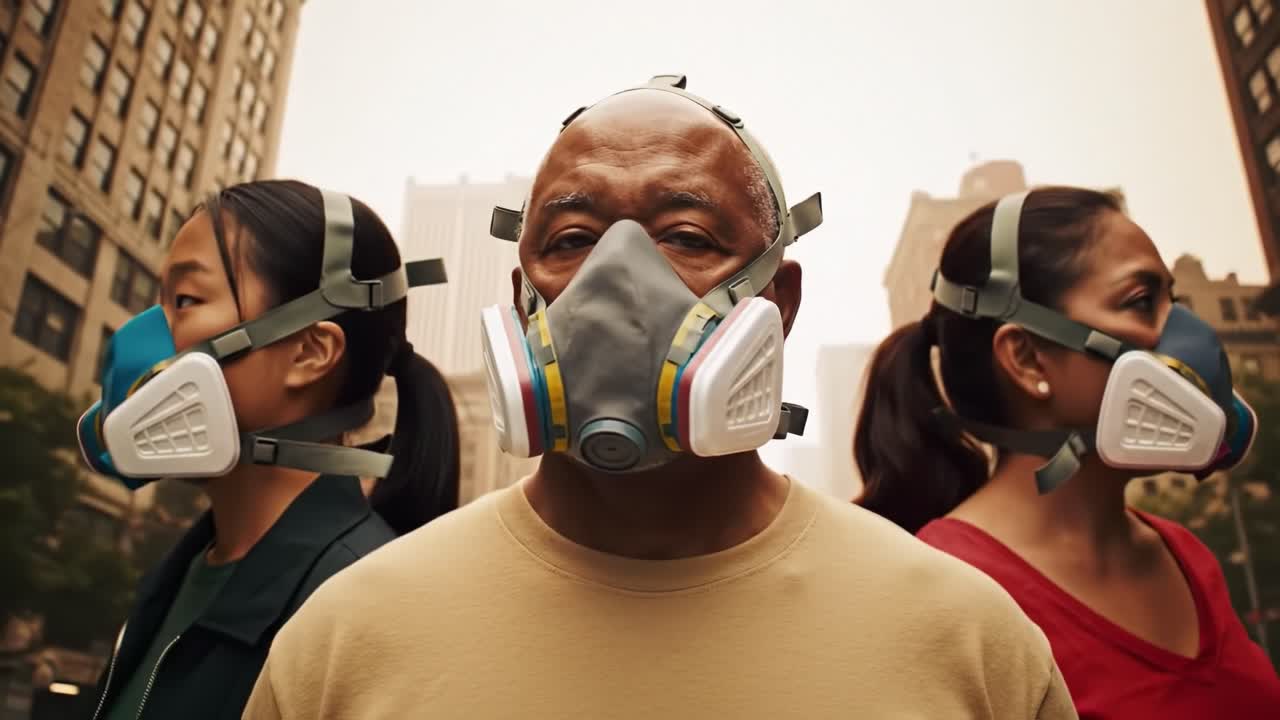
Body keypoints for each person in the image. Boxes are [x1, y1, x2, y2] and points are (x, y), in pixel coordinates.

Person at [242, 76, 1075, 719]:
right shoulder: (342, 646)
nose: (618, 281)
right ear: (522, 296)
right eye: (571, 240)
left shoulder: (969, 644)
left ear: (779, 302)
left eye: (687, 236)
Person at [854, 186, 1280, 719]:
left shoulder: (1186, 555)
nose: (1186, 334)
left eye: (1174, 302)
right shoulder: (941, 590)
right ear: (1027, 358)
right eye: (1141, 302)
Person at [77, 180, 460, 720]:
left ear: (309, 352)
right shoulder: (178, 578)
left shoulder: (370, 611)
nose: (148, 335)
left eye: (185, 301)